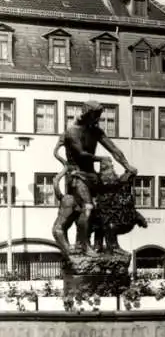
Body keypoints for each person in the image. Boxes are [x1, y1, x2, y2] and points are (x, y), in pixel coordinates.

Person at [53, 100, 137, 255]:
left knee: (106, 209)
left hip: (93, 177)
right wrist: (100, 159)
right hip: (77, 177)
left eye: (99, 115)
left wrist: (127, 166)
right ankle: (83, 245)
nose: (98, 119)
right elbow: (81, 154)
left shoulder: (96, 131)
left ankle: (111, 245)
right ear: (87, 114)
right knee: (88, 208)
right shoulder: (72, 132)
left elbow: (114, 150)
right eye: (95, 115)